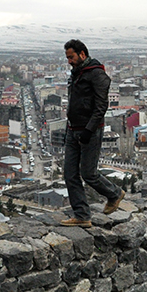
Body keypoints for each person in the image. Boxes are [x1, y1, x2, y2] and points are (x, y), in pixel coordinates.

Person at [60, 39, 125, 228]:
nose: (69, 61)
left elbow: (101, 106)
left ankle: (114, 193)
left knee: (88, 173)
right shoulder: (76, 74)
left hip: (90, 131)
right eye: (67, 58)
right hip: (73, 130)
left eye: (71, 57)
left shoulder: (96, 74)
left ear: (82, 54)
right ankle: (81, 215)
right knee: (70, 174)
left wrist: (89, 130)